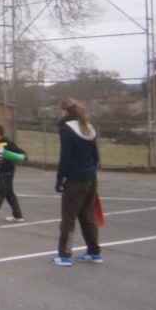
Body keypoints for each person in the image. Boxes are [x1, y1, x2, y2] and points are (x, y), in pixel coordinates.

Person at [51, 98, 103, 266]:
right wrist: (91, 172)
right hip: (90, 178)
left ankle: (65, 255)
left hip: (75, 180)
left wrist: (60, 179)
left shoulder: (66, 129)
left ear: (65, 111)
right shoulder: (88, 127)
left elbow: (65, 157)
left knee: (68, 218)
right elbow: (95, 156)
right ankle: (94, 252)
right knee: (87, 216)